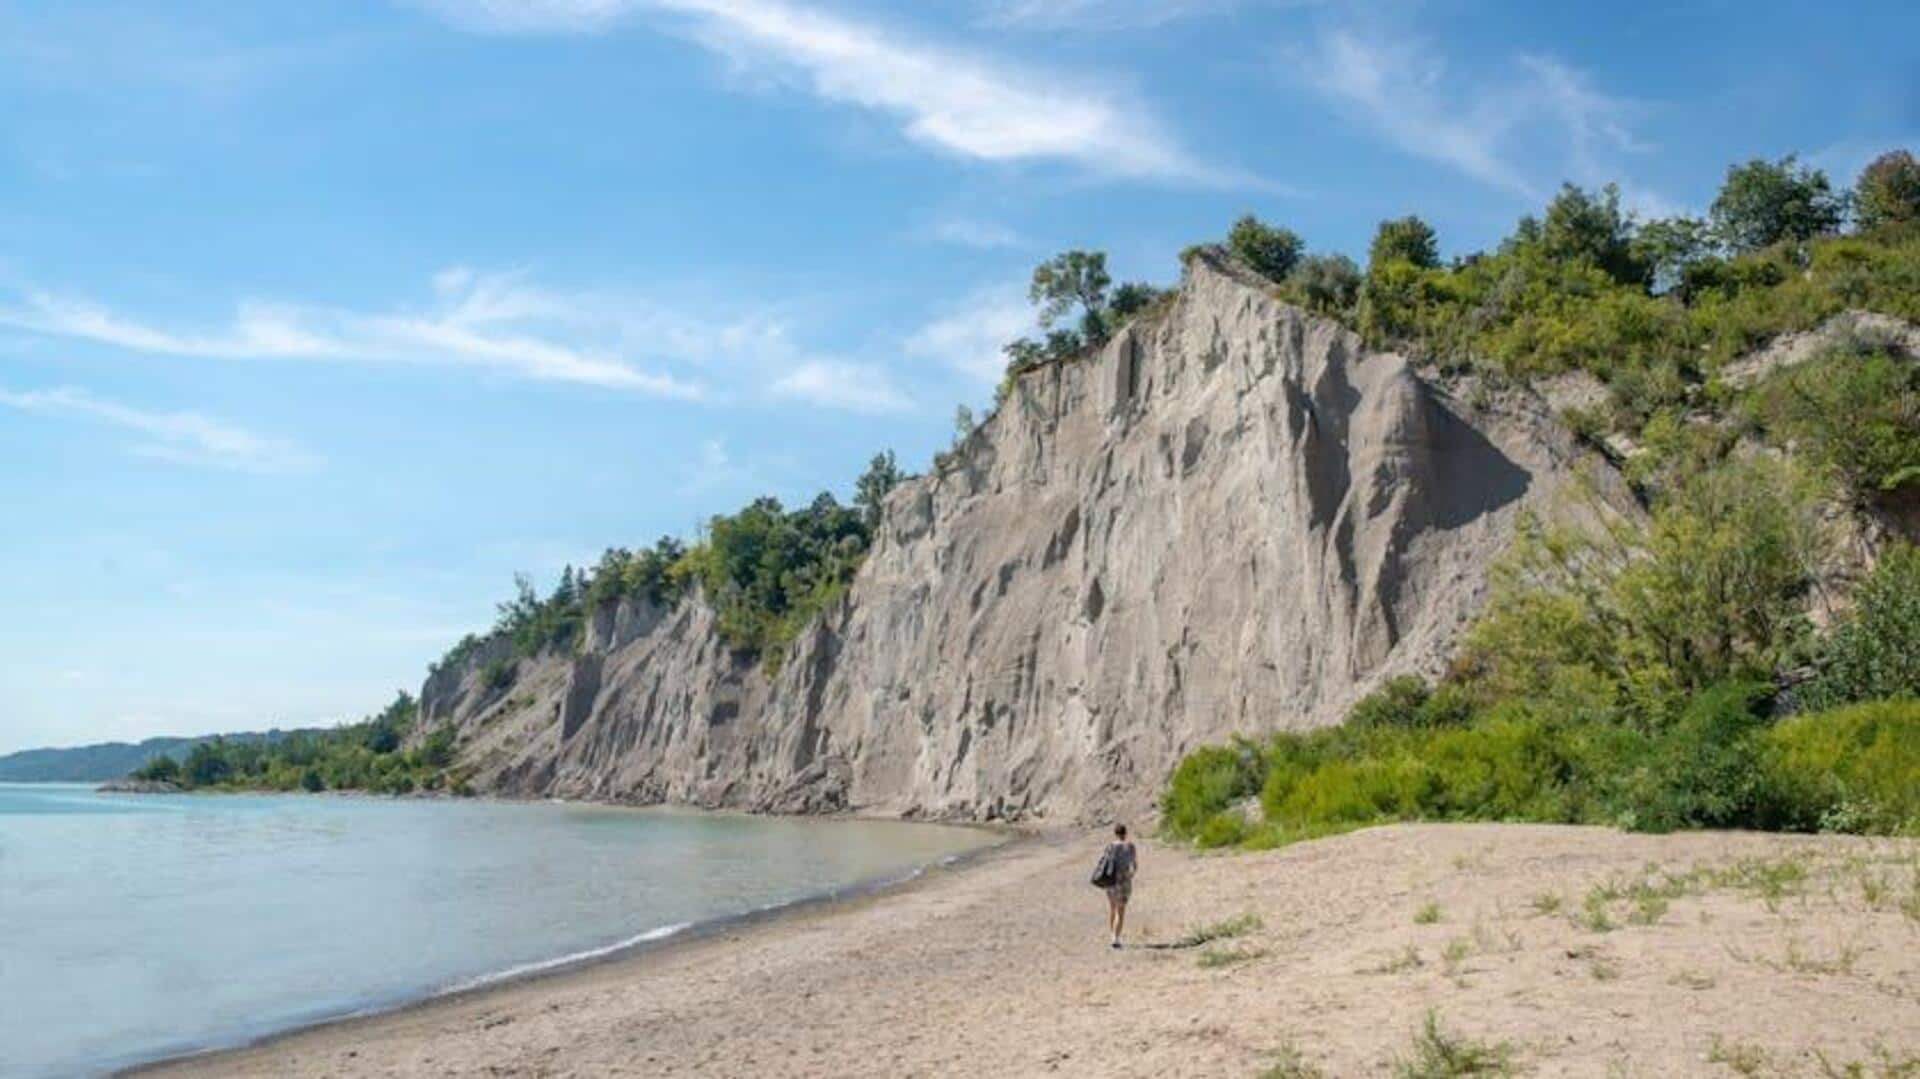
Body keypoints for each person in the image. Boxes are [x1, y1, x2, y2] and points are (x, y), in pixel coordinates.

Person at [1101, 823, 1138, 949]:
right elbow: (1134, 865)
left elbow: (1104, 862)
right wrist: (1130, 875)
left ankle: (1112, 934)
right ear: (1125, 833)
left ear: (1115, 833)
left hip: (1111, 880)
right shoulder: (1130, 846)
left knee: (1112, 908)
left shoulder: (1110, 846)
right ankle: (1115, 938)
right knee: (1120, 910)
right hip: (1124, 880)